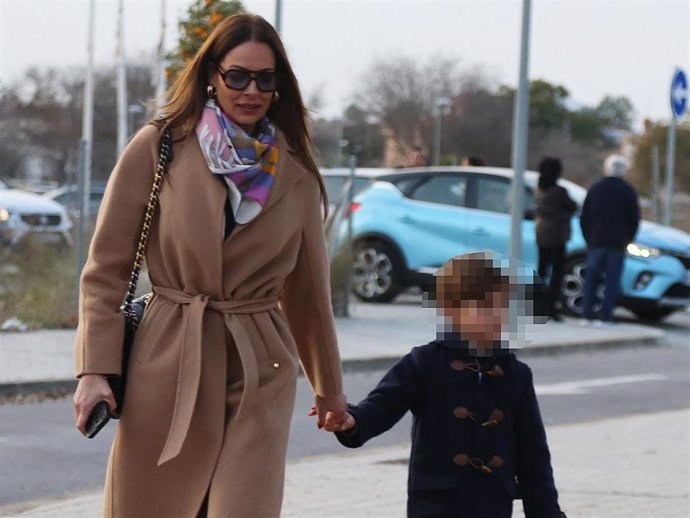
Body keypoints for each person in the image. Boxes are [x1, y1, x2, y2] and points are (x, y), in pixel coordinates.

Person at [72, 14, 347, 518]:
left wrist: (329, 387)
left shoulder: (296, 170)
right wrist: (94, 369)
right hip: (171, 353)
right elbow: (106, 268)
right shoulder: (160, 147)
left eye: (265, 78)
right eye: (237, 75)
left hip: (260, 361)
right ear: (211, 77)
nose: (251, 90)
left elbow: (308, 290)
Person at [319, 251, 566, 518]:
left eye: (504, 306)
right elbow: (383, 404)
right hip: (437, 503)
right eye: (485, 307)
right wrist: (352, 420)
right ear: (452, 309)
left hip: (493, 504)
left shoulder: (515, 375)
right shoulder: (425, 362)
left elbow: (534, 455)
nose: (497, 315)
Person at [579, 154, 640, 324]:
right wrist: (628, 239)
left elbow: (585, 217)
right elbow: (634, 219)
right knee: (612, 281)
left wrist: (588, 238)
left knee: (591, 279)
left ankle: (586, 313)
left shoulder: (596, 188)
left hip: (596, 241)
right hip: (617, 243)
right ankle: (606, 315)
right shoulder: (628, 191)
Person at [534, 157, 576, 321]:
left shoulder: (539, 189)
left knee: (542, 270)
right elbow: (572, 206)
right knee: (557, 272)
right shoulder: (560, 191)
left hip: (542, 232)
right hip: (557, 235)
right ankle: (551, 308)